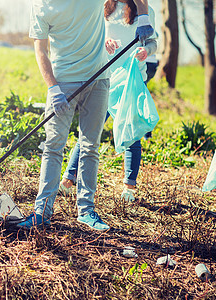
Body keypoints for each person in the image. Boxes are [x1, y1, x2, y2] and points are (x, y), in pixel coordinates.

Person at [17, 0, 153, 230]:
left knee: (90, 146)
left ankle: (86, 211)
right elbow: (40, 50)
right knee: (53, 146)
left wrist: (144, 19)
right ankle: (42, 212)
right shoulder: (40, 6)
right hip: (62, 83)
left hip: (98, 80)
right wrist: (52, 88)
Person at [59, 0, 157, 204]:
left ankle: (129, 188)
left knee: (131, 133)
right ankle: (69, 180)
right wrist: (104, 42)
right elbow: (91, 38)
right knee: (90, 130)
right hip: (104, 77)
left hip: (132, 79)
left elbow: (153, 42)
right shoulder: (101, 7)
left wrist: (146, 51)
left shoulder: (145, 11)